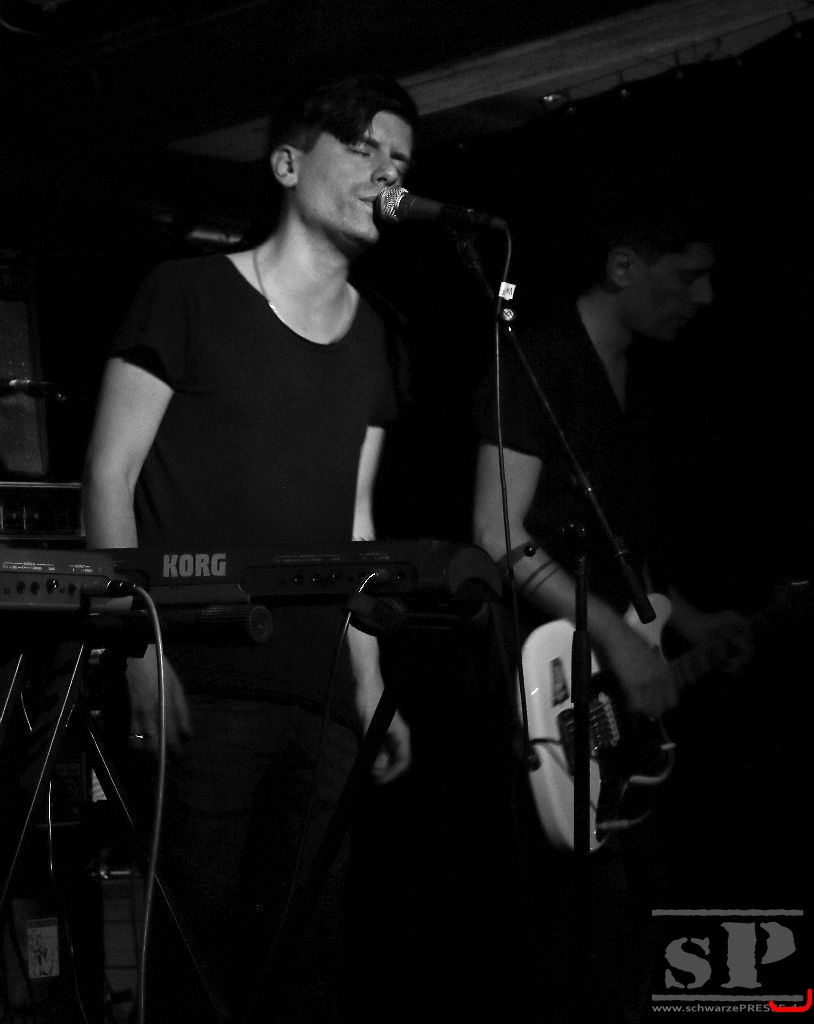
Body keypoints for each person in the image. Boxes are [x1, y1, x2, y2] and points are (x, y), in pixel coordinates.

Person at [82, 74, 417, 1024]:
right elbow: (108, 473)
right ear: (287, 164)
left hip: (322, 702)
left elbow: (356, 517)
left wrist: (370, 681)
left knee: (305, 963)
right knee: (195, 958)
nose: (386, 173)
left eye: (400, 159)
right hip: (204, 681)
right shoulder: (186, 294)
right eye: (363, 147)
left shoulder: (379, 337)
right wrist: (136, 650)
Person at [472, 191, 754, 1023]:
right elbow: (498, 531)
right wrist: (615, 638)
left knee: (636, 926)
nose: (704, 298)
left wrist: (689, 621)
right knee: (579, 933)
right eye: (688, 276)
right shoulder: (538, 357)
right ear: (624, 266)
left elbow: (628, 552)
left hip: (614, 706)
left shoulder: (644, 379)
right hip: (543, 687)